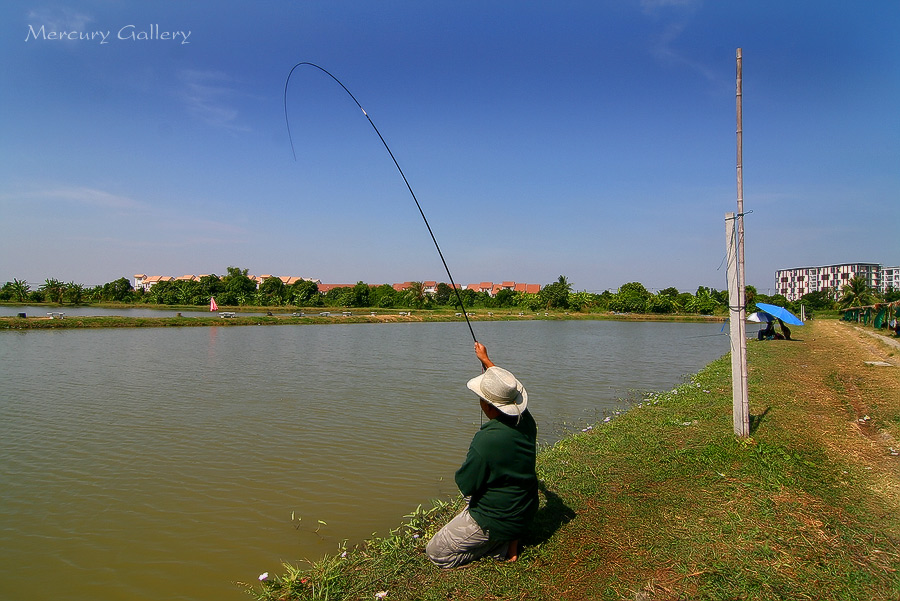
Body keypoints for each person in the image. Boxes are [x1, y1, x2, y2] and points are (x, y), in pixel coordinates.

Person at [426, 342, 539, 569]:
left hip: (498, 516)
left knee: (436, 552)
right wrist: (486, 361)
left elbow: (466, 484)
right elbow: (506, 389)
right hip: (525, 507)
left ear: (487, 406)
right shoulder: (526, 420)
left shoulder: (486, 440)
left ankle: (499, 546)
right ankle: (511, 538)